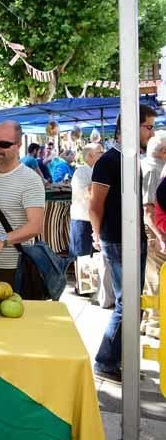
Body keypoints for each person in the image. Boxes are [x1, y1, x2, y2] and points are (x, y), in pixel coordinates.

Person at [89, 105, 157, 382]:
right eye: (148, 126)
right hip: (117, 240)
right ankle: (105, 361)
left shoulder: (131, 159)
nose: (151, 133)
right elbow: (95, 205)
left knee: (133, 303)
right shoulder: (108, 161)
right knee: (127, 304)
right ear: (132, 126)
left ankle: (117, 361)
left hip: (131, 238)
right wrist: (97, 235)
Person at [0, 121, 45, 290]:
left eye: (4, 144)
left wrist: (1, 240)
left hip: (15, 268)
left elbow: (35, 226)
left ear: (19, 146)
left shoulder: (30, 180)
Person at [69, 143, 111, 304]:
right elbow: (89, 193)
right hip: (82, 218)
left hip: (94, 217)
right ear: (90, 156)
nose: (103, 154)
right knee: (83, 253)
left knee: (93, 254)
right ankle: (84, 288)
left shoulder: (98, 170)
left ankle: (91, 287)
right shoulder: (81, 171)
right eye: (100, 152)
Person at [140, 130, 166, 337]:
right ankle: (154, 324)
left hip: (154, 230)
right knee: (156, 278)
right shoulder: (152, 169)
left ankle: (149, 321)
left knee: (154, 278)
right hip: (155, 231)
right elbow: (148, 210)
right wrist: (160, 236)